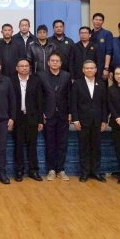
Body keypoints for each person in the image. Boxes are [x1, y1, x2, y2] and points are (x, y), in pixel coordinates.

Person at [71, 60, 108, 182]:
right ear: (83, 70)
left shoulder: (101, 83)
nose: (89, 70)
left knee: (96, 148)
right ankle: (85, 172)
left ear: (96, 70)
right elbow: (73, 103)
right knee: (84, 148)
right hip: (82, 121)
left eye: (92, 68)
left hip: (97, 121)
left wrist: (104, 120)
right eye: (87, 68)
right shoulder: (77, 83)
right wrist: (75, 119)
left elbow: (104, 103)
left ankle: (96, 172)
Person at [38, 53, 72, 181]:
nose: (55, 62)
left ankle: (61, 169)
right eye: (52, 60)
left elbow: (70, 95)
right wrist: (41, 113)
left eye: (57, 61)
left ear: (61, 63)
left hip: (63, 115)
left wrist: (70, 113)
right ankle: (51, 170)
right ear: (48, 63)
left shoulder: (66, 76)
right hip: (48, 115)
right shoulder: (41, 76)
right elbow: (39, 96)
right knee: (50, 144)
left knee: (62, 143)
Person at [11, 59, 44, 181]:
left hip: (32, 117)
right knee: (18, 146)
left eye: (26, 66)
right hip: (17, 118)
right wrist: (11, 118)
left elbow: (40, 101)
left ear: (29, 68)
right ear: (17, 68)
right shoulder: (11, 81)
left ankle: (33, 171)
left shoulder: (36, 81)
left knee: (32, 146)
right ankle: (19, 171)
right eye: (21, 66)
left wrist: (40, 120)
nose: (24, 68)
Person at [90, 13, 113, 80]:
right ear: (93, 20)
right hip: (90, 66)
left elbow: (109, 52)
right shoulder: (90, 33)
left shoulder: (107, 34)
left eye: (100, 20)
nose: (98, 22)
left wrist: (106, 68)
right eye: (96, 19)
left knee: (101, 85)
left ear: (103, 22)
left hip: (102, 67)